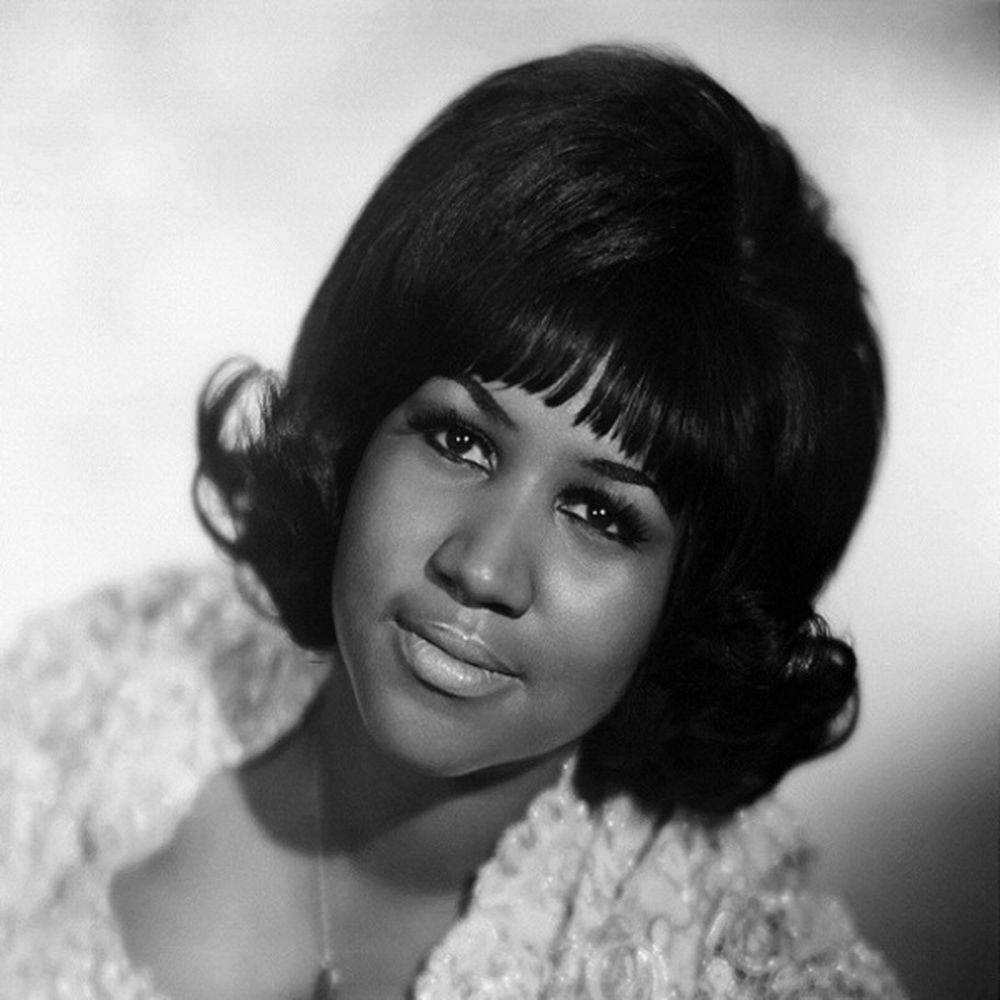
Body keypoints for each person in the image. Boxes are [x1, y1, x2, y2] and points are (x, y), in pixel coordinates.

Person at [0, 45, 907, 1000]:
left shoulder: (742, 965)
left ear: (700, 601)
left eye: (600, 514)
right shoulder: (113, 683)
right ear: (357, 424)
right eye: (458, 442)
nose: (481, 568)